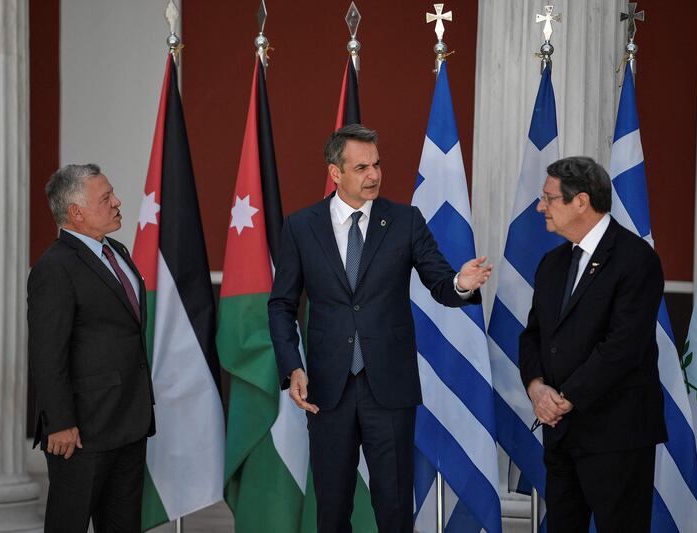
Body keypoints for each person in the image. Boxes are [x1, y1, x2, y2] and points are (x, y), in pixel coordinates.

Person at [268, 124, 492, 533]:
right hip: (327, 389)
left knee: (393, 507)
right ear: (335, 173)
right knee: (332, 510)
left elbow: (440, 282)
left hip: (388, 387)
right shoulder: (301, 227)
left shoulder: (405, 221)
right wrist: (292, 367)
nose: (373, 175)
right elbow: (282, 305)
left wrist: (461, 283)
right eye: (361, 168)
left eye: (377, 165)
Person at [519, 156, 667, 532]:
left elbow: (623, 346)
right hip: (560, 432)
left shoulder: (636, 259)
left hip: (616, 433)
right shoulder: (552, 263)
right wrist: (537, 390)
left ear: (581, 201)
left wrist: (564, 398)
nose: (540, 207)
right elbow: (533, 335)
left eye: (549, 198)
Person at [28, 164, 155, 532]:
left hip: (129, 421)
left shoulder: (116, 250)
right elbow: (47, 353)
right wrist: (61, 422)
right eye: (106, 198)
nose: (117, 202)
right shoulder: (55, 268)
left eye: (112, 193)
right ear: (76, 212)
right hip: (82, 431)